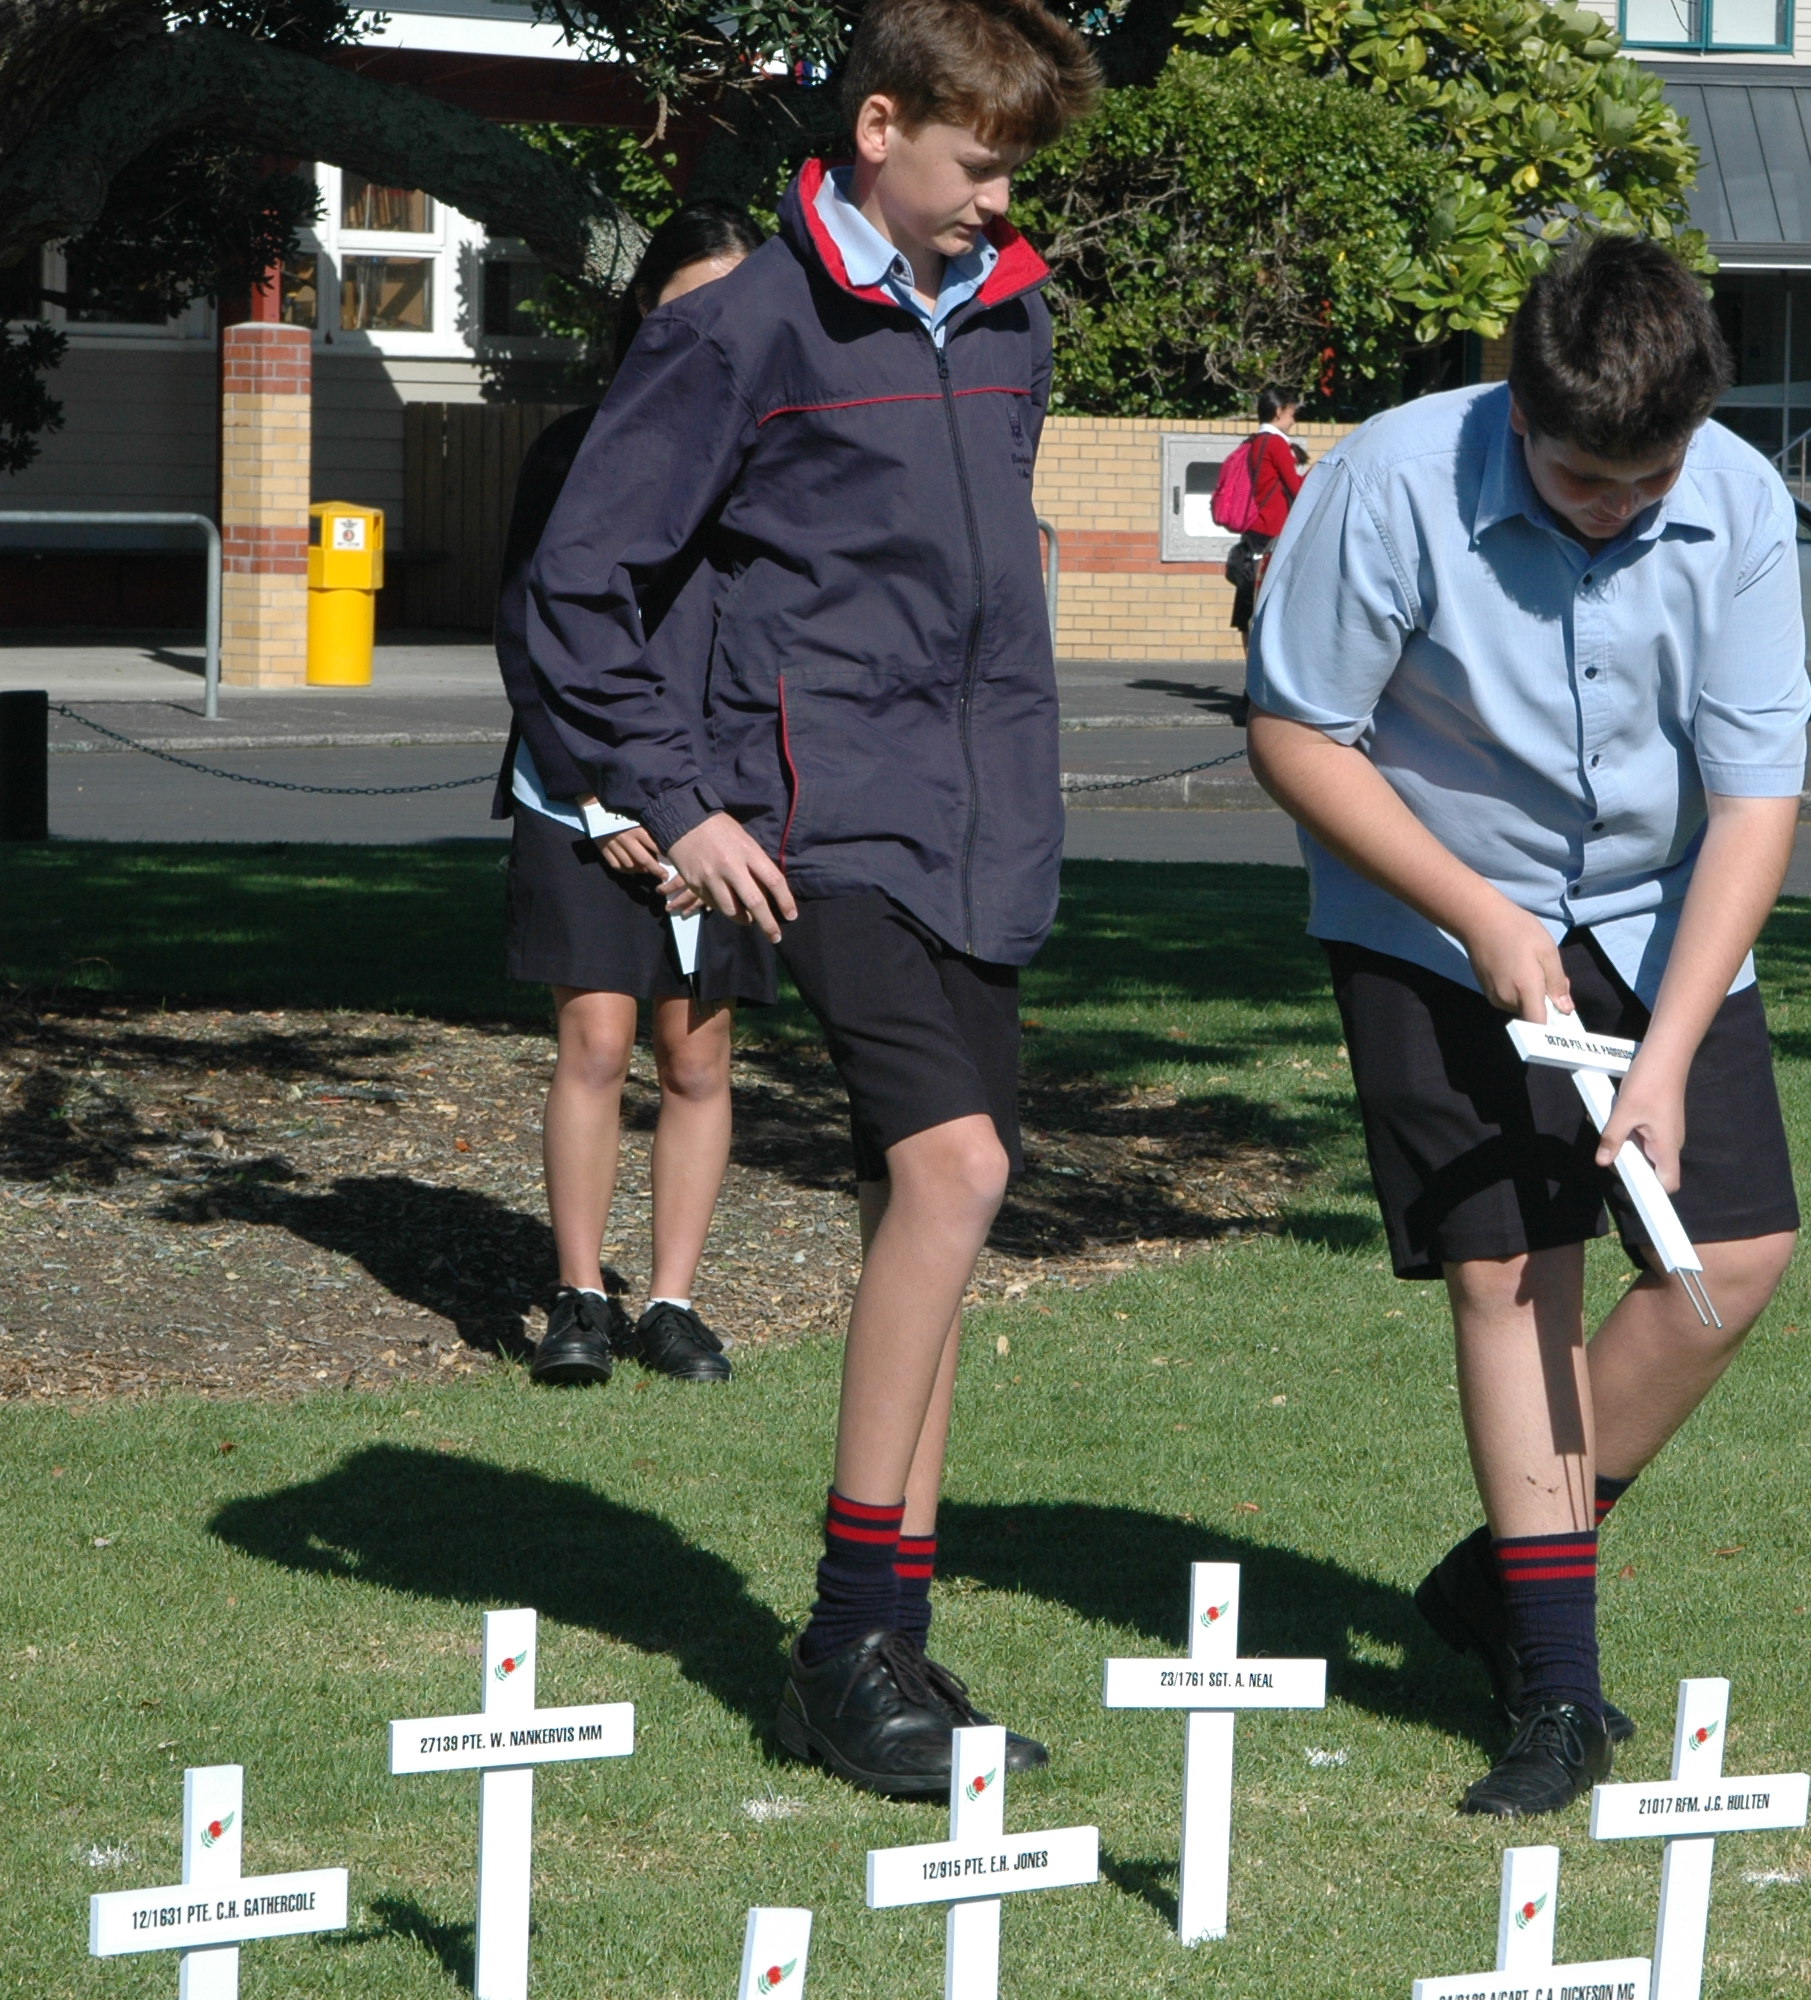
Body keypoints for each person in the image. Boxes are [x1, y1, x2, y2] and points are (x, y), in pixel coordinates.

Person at [519, 0, 1099, 1799]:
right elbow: (577, 580)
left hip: (984, 835)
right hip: (807, 826)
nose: (997, 206)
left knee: (918, 1214)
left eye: (1013, 175)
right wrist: (675, 804)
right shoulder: (742, 326)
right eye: (975, 165)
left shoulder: (1010, 319)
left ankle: (896, 1651)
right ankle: (845, 1639)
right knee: (960, 1172)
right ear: (875, 126)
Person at [1245, 235, 1809, 1817]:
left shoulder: (1745, 505)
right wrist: (1481, 920)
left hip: (1657, 907)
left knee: (1732, 1257)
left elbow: (1758, 796)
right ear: (1521, 405)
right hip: (1426, 907)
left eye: (1651, 482)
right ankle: (1556, 1691)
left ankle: (1500, 1575)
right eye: (1581, 483)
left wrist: (1672, 1051)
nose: (1619, 512)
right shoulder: (1392, 482)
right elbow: (1298, 730)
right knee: (1512, 1268)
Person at [494, 201, 775, 1391]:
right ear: (645, 309)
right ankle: (578, 1297)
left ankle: (670, 1302)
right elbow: (533, 629)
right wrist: (610, 802)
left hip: (726, 805)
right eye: (688, 306)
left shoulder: (777, 457)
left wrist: (724, 807)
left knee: (698, 1058)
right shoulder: (573, 447)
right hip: (582, 799)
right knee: (597, 1039)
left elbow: (774, 645)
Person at [1226, 386, 1307, 645]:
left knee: (1248, 604)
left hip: (1253, 530)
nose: (1293, 420)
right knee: (1271, 604)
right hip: (1273, 532)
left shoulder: (1254, 441)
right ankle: (1261, 677)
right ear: (1278, 411)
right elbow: (1296, 488)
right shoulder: (1276, 444)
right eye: (1291, 413)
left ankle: (1250, 678)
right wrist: (1317, 472)